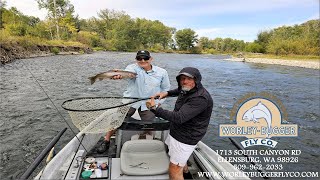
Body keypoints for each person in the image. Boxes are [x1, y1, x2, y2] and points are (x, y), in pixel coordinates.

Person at [97, 50, 170, 153]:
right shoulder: (131, 68)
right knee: (116, 120)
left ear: (151, 59)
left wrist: (158, 103)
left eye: (145, 58)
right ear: (136, 60)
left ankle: (145, 141)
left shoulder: (162, 72)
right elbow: (124, 75)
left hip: (149, 104)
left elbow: (166, 89)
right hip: (130, 101)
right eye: (139, 58)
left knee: (150, 125)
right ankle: (106, 140)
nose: (142, 60)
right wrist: (118, 75)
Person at [146, 67, 213, 180]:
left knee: (174, 169)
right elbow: (179, 90)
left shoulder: (200, 98)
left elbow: (179, 117)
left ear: (196, 80)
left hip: (186, 138)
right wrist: (166, 93)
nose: (185, 82)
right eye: (182, 79)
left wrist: (154, 109)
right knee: (177, 160)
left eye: (189, 79)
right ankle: (186, 174)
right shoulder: (187, 88)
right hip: (177, 131)